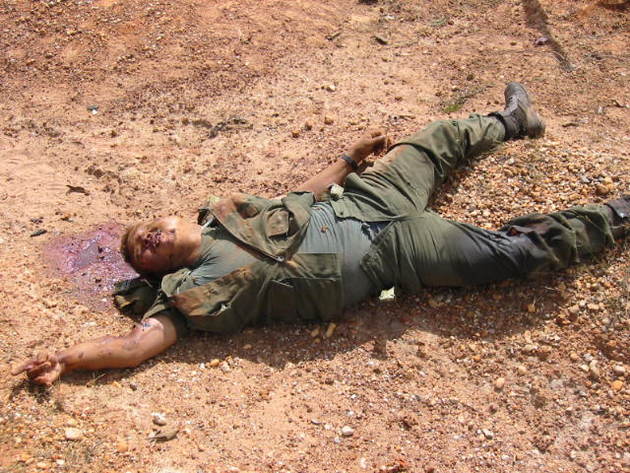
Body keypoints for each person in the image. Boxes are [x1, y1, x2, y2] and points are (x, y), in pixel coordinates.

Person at [12, 83, 628, 386]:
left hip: (367, 199)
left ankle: (514, 119)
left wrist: (351, 157)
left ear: (175, 217)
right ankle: (616, 217)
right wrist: (66, 358)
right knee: (515, 253)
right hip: (395, 255)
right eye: (138, 251)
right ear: (154, 271)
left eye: (147, 228)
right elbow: (132, 348)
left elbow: (300, 198)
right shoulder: (188, 297)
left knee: (432, 141)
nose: (145, 238)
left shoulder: (227, 214)